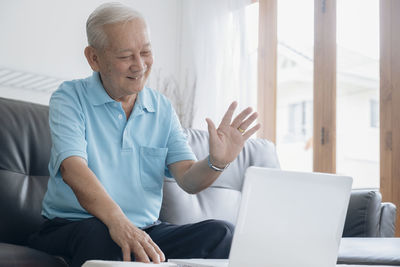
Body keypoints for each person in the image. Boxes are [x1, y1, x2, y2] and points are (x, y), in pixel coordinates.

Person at [28, 2, 260, 267]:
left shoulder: (161, 107)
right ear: (94, 58)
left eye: (146, 52)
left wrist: (217, 161)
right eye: (126, 56)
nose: (139, 65)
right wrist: (118, 223)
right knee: (102, 237)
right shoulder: (70, 97)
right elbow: (73, 169)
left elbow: (188, 179)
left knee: (222, 234)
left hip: (145, 230)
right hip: (73, 226)